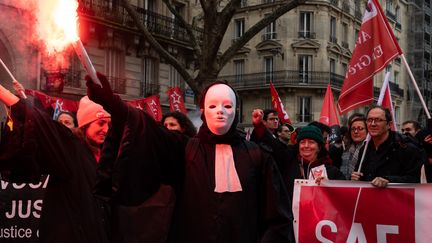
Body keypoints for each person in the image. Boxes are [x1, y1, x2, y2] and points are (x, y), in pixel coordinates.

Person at [85, 73, 295, 243]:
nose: (220, 112)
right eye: (213, 106)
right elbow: (147, 131)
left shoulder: (257, 156)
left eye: (227, 106)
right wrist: (112, 103)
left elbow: (277, 218)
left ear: (236, 112)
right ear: (203, 112)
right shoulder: (184, 149)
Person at [0, 85, 109, 243]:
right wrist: (5, 94)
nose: (106, 130)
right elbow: (39, 121)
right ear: (85, 124)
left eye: (108, 125)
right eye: (100, 123)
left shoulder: (106, 156)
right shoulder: (70, 147)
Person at [351, 106, 423, 187]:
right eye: (369, 120)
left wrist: (389, 180)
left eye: (378, 120)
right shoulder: (364, 149)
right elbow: (361, 176)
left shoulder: (405, 148)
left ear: (389, 125)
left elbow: (416, 179)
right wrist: (357, 178)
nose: (373, 124)